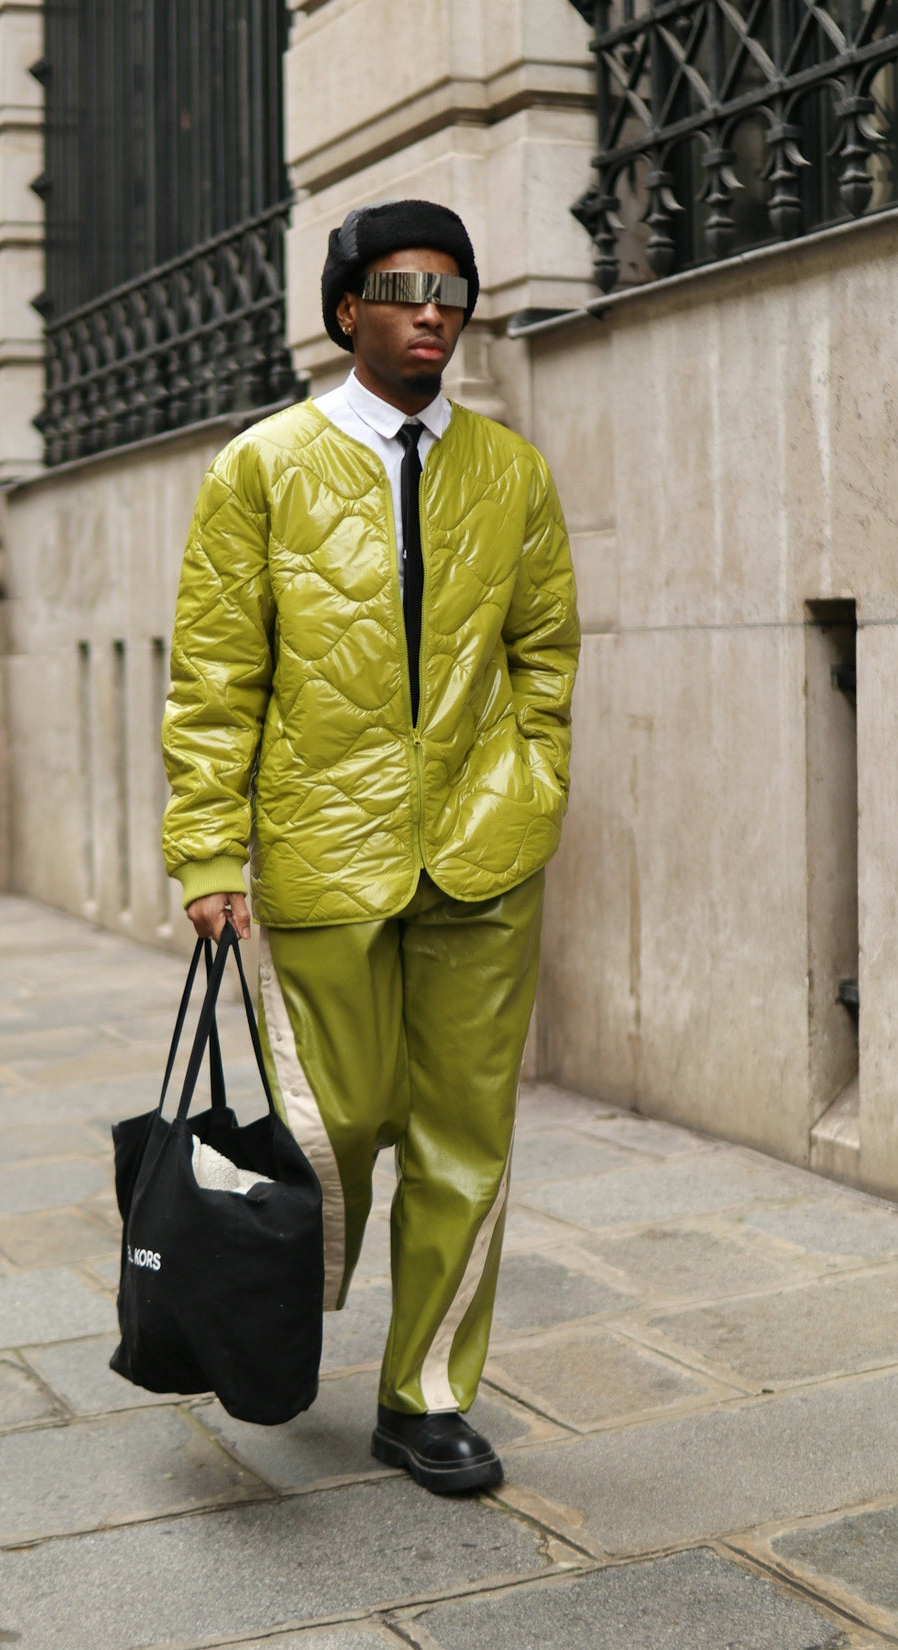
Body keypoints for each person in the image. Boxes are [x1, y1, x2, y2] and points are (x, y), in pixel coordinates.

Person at [161, 199, 579, 1494]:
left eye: (452, 288)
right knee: (332, 1125)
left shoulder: (510, 471)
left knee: (466, 1133)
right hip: (319, 854)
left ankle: (426, 1392)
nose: (432, 308)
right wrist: (207, 852)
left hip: (482, 854)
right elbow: (214, 674)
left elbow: (545, 653)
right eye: (401, 286)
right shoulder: (264, 466)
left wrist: (532, 784)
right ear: (346, 308)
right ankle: (270, 1325)